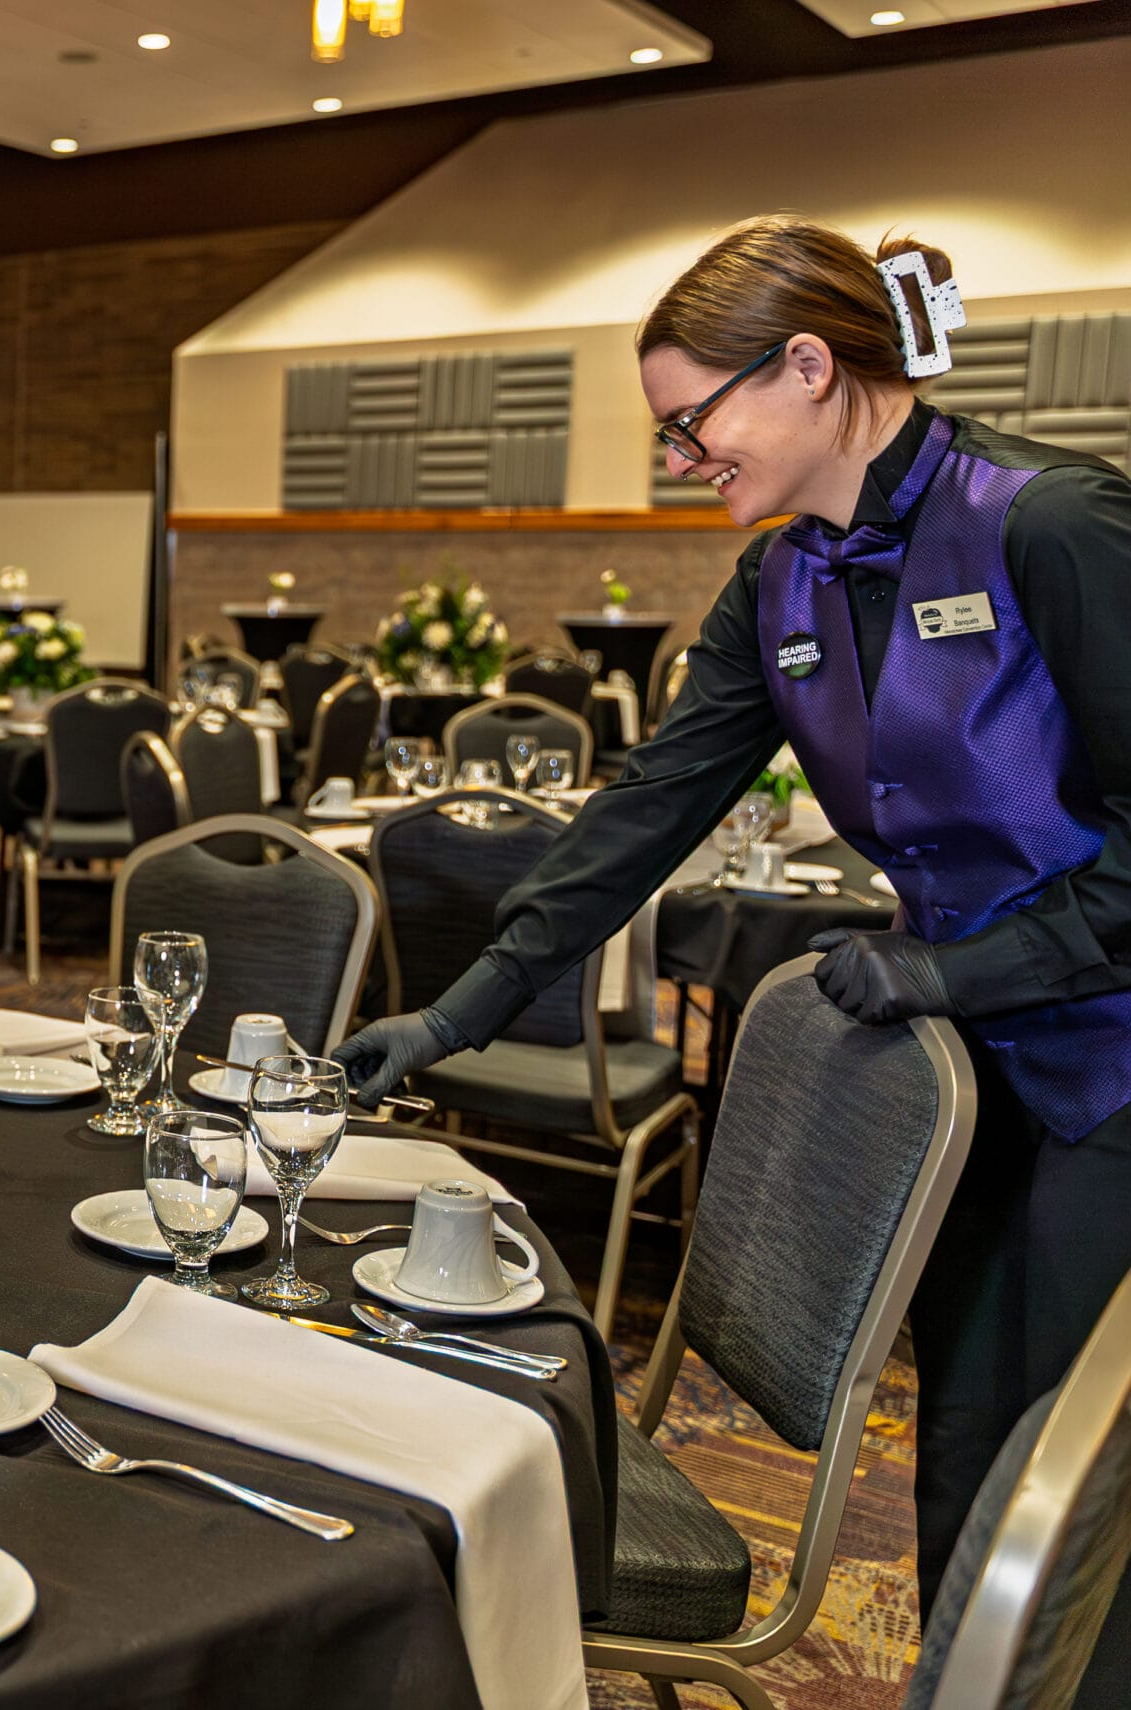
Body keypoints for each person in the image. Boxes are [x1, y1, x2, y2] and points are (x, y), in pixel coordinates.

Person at [335, 216, 1131, 1660]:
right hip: (971, 1084)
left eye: (689, 421)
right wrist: (458, 1013)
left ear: (811, 367)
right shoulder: (782, 584)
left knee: (1080, 1495)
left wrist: (955, 970)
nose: (680, 458)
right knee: (962, 1442)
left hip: (1116, 1068)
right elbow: (641, 816)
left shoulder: (1051, 522)